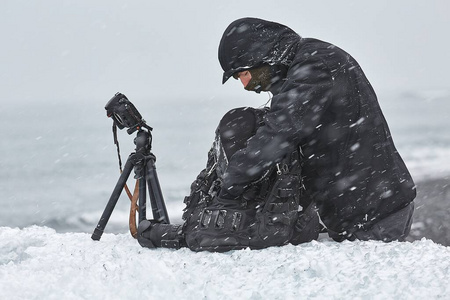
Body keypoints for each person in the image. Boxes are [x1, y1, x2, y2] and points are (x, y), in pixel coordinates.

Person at [216, 17, 416, 242]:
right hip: (364, 206)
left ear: (264, 56)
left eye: (244, 73)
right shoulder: (310, 60)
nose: (246, 85)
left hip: (374, 213)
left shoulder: (315, 66)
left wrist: (230, 185)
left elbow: (279, 132)